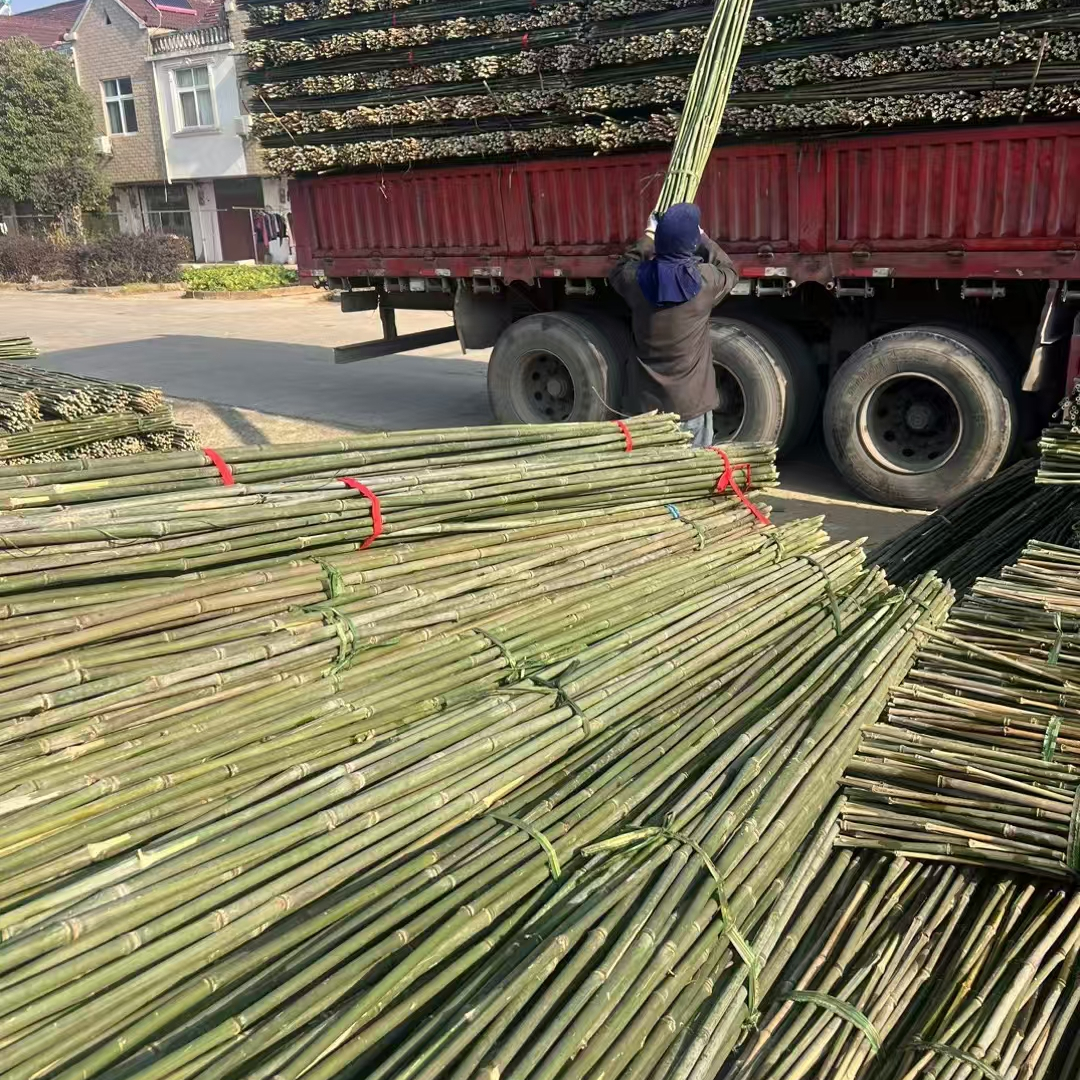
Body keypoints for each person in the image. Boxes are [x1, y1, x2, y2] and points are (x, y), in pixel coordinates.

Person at [609, 202, 738, 448]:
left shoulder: (636, 279)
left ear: (660, 241)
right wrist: (704, 239)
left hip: (644, 408)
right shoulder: (705, 281)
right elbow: (730, 270)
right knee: (694, 476)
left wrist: (648, 235)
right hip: (691, 407)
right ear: (691, 243)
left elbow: (619, 269)